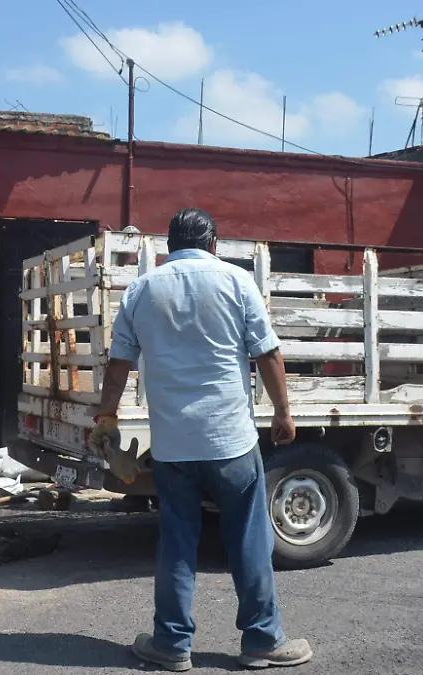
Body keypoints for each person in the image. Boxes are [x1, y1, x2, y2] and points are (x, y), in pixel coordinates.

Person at [91, 208, 311, 670]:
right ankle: (262, 640)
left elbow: (118, 364)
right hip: (231, 440)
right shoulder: (236, 281)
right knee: (248, 539)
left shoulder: (141, 290)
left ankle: (171, 645)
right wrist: (283, 412)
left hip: (173, 447)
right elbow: (268, 353)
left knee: (177, 542)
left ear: (170, 245)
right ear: (213, 243)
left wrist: (107, 417)